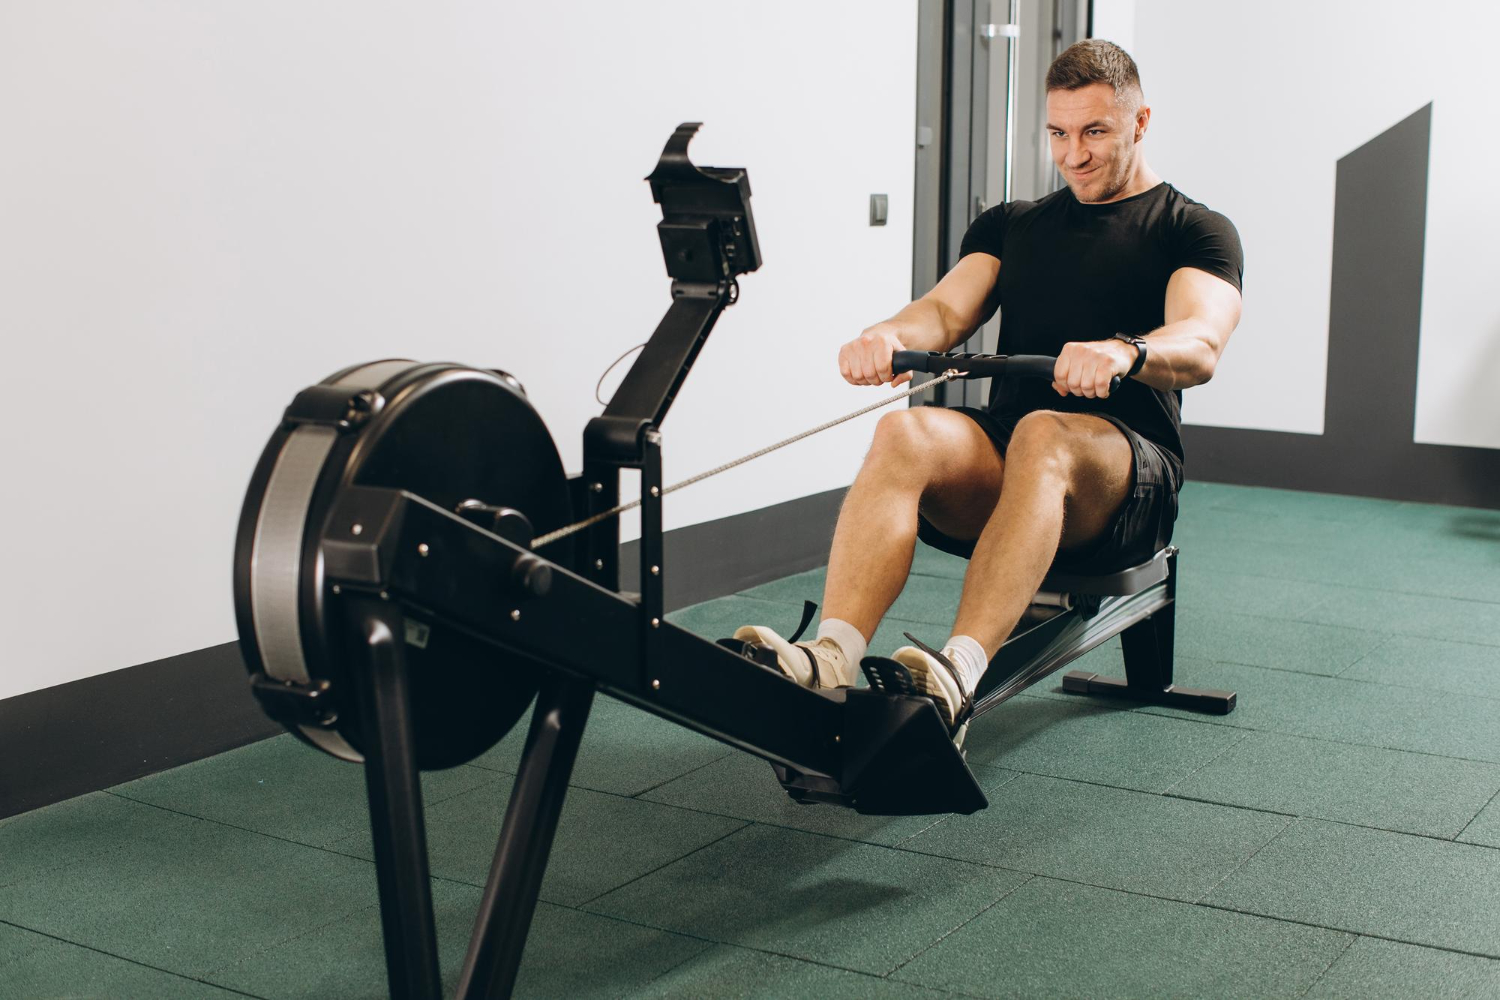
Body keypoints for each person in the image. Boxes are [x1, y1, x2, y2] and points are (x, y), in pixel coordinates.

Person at [732, 39, 1244, 735]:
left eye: (1095, 131)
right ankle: (831, 657)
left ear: (1140, 122)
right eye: (1058, 134)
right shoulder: (1016, 224)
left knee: (1045, 434)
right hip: (1012, 468)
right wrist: (888, 332)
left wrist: (1126, 352)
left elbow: (1201, 342)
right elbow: (943, 312)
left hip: (1126, 480)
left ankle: (959, 675)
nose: (1074, 154)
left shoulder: (1192, 228)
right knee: (904, 430)